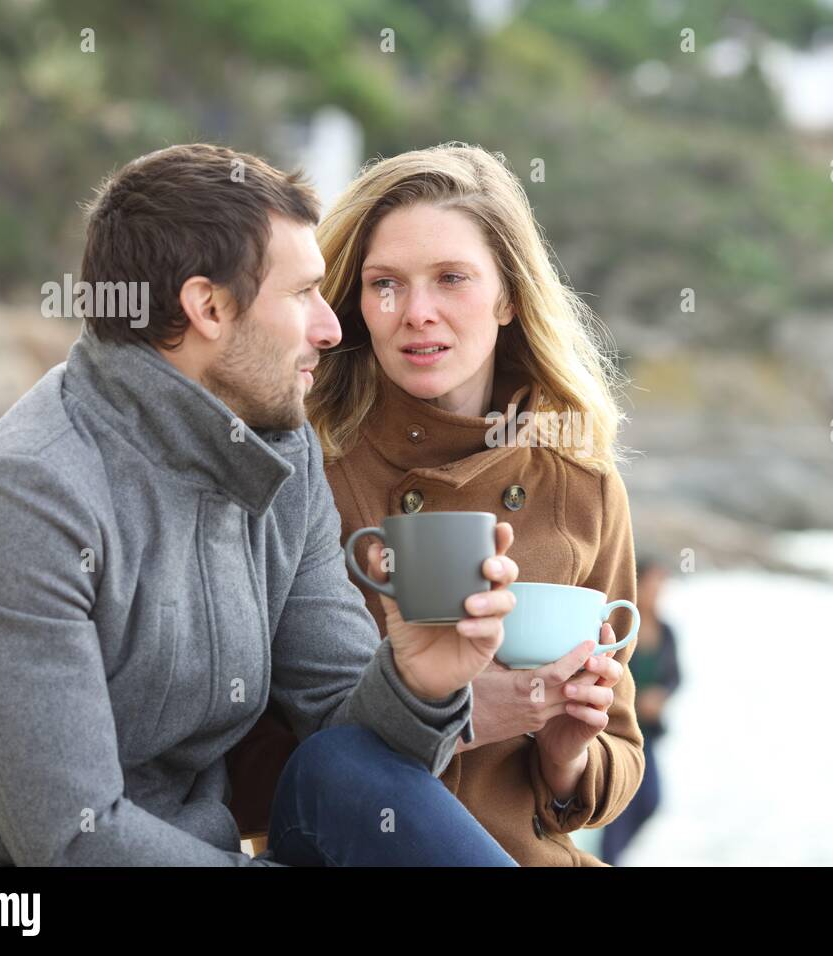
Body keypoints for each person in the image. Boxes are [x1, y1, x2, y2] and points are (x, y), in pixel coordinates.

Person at [0, 144, 520, 866]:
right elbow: (75, 842)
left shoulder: (278, 454)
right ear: (209, 306)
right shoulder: (19, 504)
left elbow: (357, 764)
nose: (331, 328)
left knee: (337, 767)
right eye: (302, 294)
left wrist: (418, 682)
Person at [229, 143, 644, 865]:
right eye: (385, 283)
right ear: (355, 301)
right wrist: (453, 716)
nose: (417, 313)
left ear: (509, 296)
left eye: (451, 279)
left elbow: (622, 750)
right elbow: (244, 758)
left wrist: (565, 755)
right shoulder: (304, 474)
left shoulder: (581, 483)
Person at [598, 556, 681, 865]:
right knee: (618, 801)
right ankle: (608, 858)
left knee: (650, 800)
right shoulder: (620, 627)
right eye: (654, 583)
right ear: (638, 584)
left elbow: (675, 677)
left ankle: (612, 856)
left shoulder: (667, 631)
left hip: (649, 733)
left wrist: (661, 696)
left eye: (664, 584)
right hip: (615, 728)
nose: (659, 590)